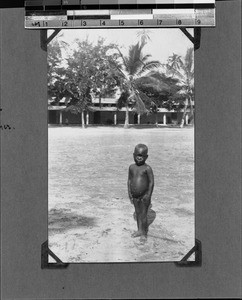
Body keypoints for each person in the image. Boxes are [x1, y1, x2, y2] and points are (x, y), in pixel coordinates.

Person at [128, 144, 154, 238]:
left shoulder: (147, 169)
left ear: (146, 157)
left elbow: (151, 183)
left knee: (143, 215)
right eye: (137, 155)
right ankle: (139, 230)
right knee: (138, 213)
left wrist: (148, 195)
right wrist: (129, 193)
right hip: (135, 196)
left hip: (144, 197)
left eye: (141, 156)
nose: (139, 158)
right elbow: (129, 180)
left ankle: (144, 233)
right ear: (133, 155)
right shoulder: (131, 167)